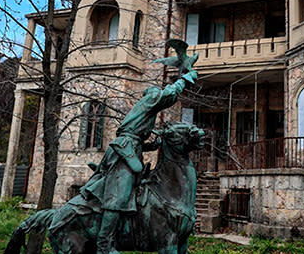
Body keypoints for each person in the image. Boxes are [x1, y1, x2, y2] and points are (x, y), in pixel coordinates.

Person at [49, 39, 198, 254]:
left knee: (137, 187)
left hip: (132, 147)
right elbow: (168, 96)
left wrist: (148, 146)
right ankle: (104, 243)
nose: (158, 99)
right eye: (157, 96)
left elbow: (135, 134)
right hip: (124, 150)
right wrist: (184, 79)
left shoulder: (144, 111)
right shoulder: (150, 100)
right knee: (119, 195)